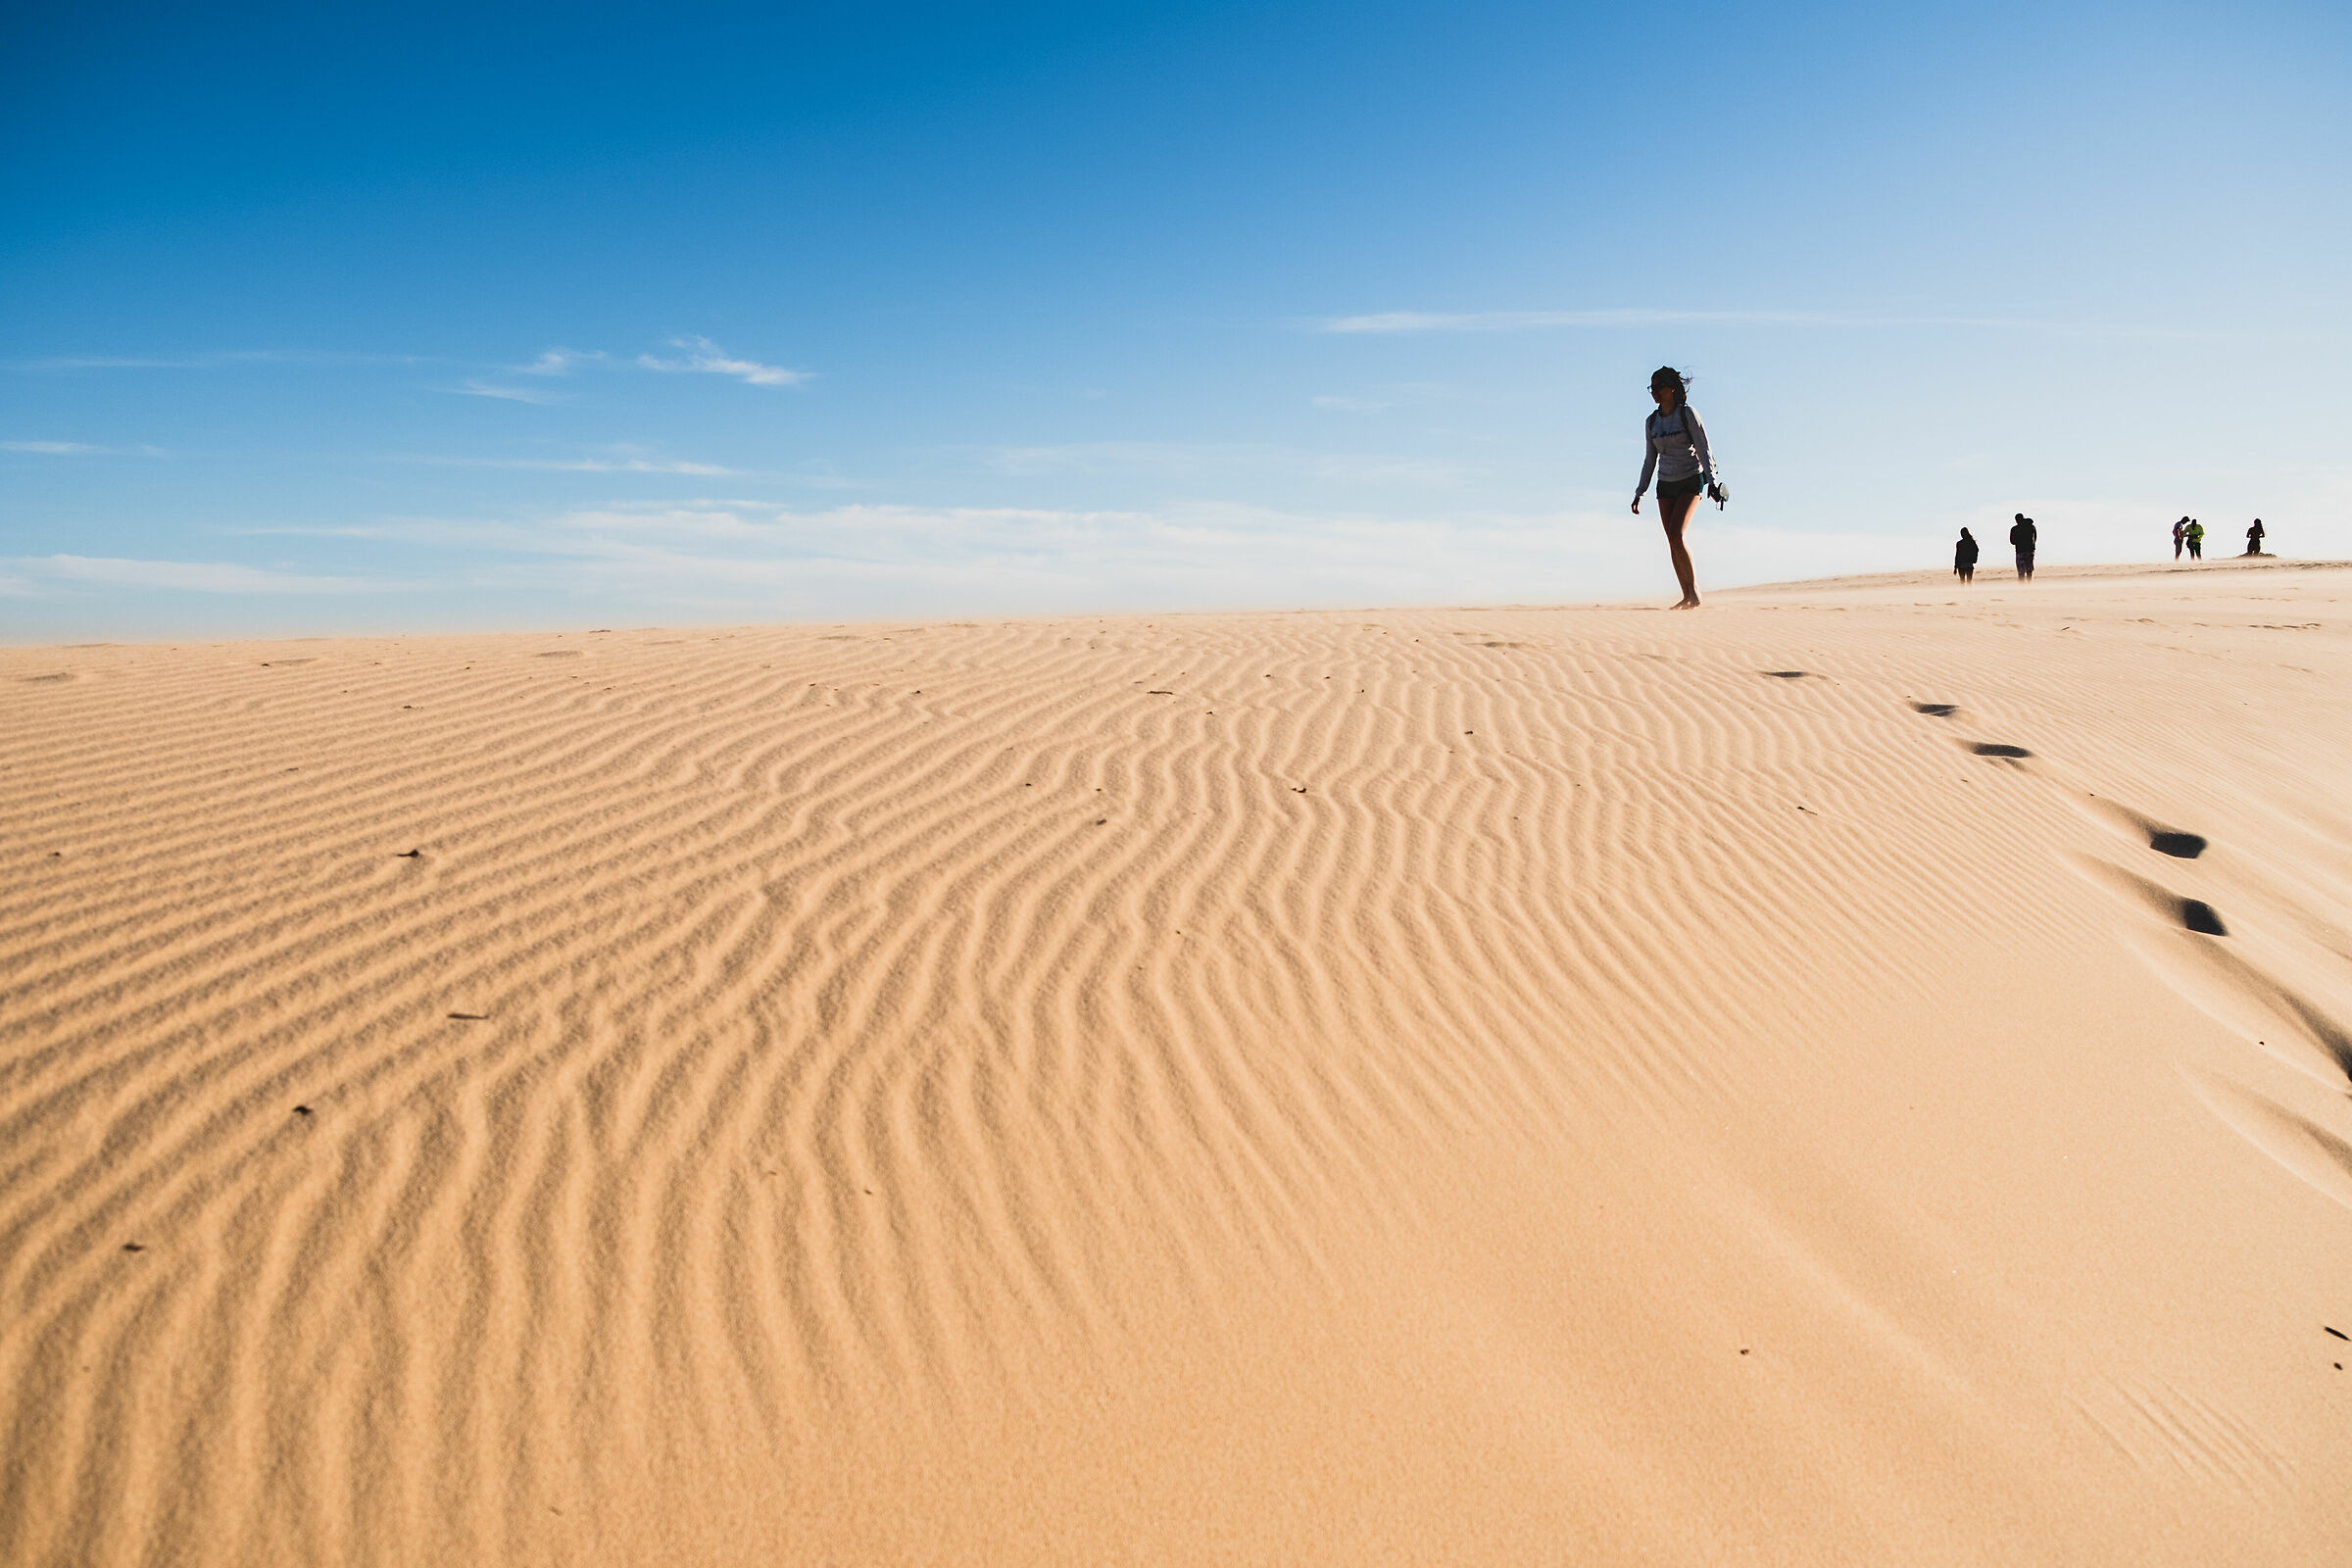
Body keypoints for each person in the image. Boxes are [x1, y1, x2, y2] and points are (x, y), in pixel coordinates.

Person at [1631, 366, 1722, 609]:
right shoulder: (1651, 422)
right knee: (1671, 539)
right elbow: (1650, 460)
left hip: (1691, 478)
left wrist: (1712, 482)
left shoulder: (1687, 414)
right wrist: (1640, 492)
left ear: (1673, 388)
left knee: (1676, 534)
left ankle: (1695, 594)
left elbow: (1704, 448)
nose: (1655, 392)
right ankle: (1686, 595)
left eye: (1659, 387)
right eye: (1652, 387)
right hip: (1665, 484)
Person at [2009, 513, 2036, 581]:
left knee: (2021, 571)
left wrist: (2019, 540)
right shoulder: (2031, 526)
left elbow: (2012, 541)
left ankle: (2022, 587)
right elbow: (2035, 538)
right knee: (2029, 570)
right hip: (2030, 550)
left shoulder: (2014, 529)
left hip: (2020, 551)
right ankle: (2029, 585)